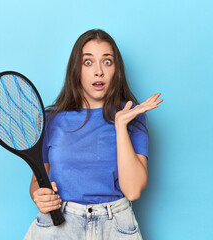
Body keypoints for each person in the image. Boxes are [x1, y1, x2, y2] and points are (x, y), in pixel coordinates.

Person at [24, 29, 163, 240]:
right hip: (57, 225)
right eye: (88, 62)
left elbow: (133, 190)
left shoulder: (132, 115)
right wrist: (39, 195)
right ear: (76, 69)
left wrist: (120, 126)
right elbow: (37, 181)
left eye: (107, 62)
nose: (99, 71)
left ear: (117, 69)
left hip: (115, 227)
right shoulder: (51, 118)